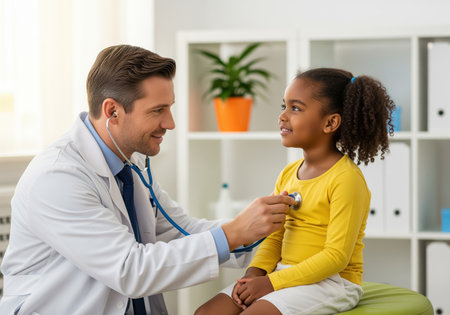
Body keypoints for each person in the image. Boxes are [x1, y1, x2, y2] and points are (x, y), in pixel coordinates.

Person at [0, 45, 294, 315]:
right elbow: (130, 269)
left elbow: (181, 232)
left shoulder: (131, 163)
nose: (170, 123)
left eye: (170, 107)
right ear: (112, 111)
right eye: (158, 111)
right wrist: (233, 232)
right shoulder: (57, 177)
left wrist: (282, 239)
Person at [195, 68, 395, 315]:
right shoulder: (289, 173)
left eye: (296, 108)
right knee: (207, 313)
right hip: (283, 272)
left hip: (332, 282)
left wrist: (270, 284)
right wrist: (253, 276)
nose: (282, 116)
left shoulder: (346, 179)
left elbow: (336, 257)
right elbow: (275, 236)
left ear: (330, 122)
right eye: (284, 106)